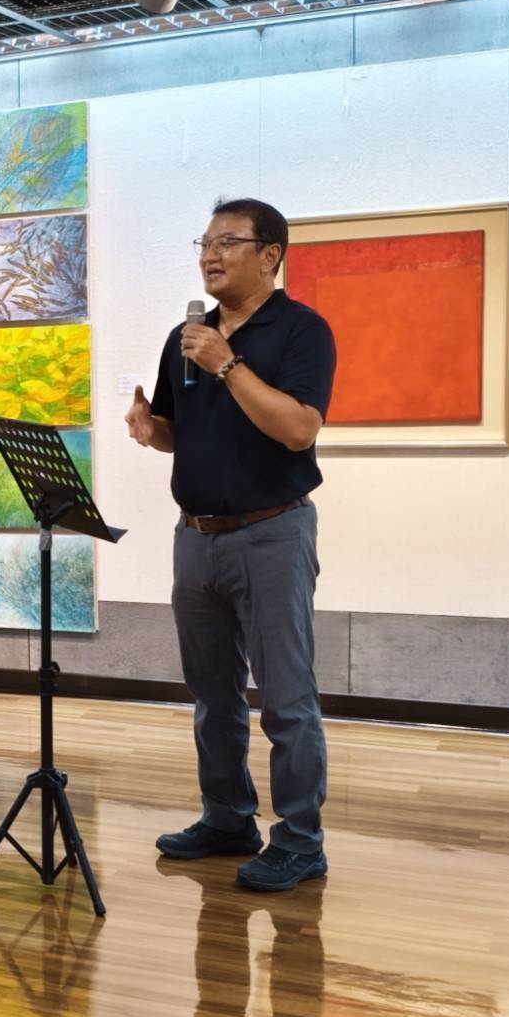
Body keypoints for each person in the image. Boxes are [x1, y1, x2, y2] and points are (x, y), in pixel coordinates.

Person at [125, 197, 336, 892]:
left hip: (272, 532)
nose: (210, 255)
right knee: (213, 697)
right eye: (205, 244)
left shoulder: (302, 331)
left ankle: (300, 841)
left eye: (227, 242)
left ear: (270, 254)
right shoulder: (185, 336)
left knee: (286, 699)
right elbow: (179, 431)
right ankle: (227, 818)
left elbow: (298, 429)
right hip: (196, 537)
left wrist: (226, 364)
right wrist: (151, 429)